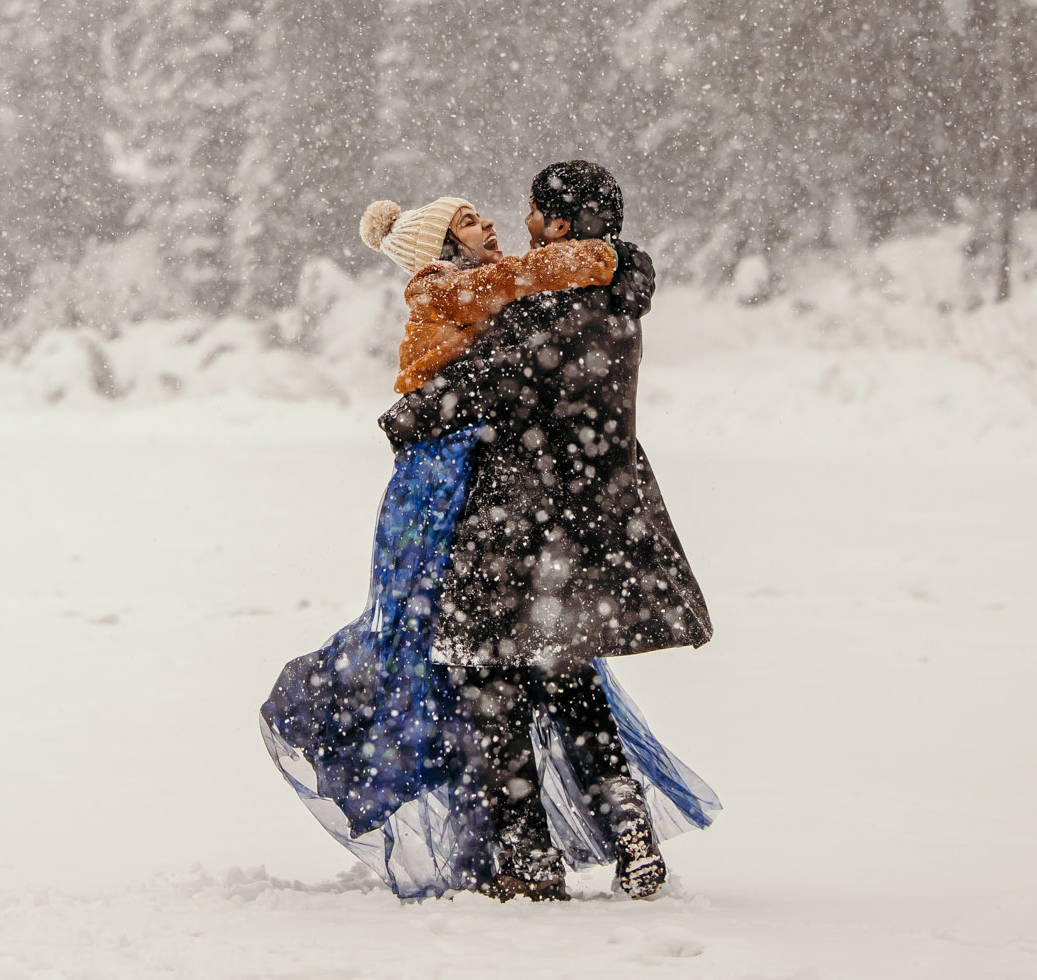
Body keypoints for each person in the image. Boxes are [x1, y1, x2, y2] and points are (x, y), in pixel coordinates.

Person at [259, 163, 718, 903]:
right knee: (569, 679)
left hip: (518, 526)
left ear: (562, 225)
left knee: (488, 679)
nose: (521, 223)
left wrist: (404, 417)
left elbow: (487, 383)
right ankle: (631, 836)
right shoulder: (616, 301)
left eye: (535, 213)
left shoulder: (541, 310)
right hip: (590, 519)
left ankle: (529, 862)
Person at [354, 195, 620, 394]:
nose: (487, 223)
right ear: (443, 249)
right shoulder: (438, 290)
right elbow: (516, 276)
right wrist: (600, 257)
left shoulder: (468, 296)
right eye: (469, 222)